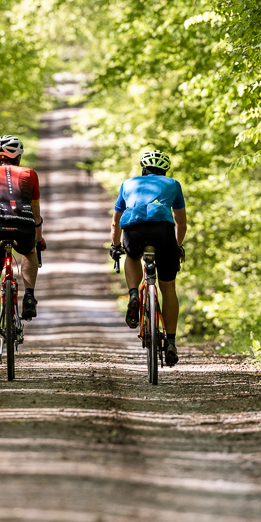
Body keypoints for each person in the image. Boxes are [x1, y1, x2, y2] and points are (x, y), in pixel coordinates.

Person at [0, 135, 45, 365]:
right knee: (30, 252)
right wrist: (39, 240)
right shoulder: (30, 174)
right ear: (19, 158)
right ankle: (30, 296)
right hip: (24, 227)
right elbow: (36, 214)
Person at [110, 149, 186, 367]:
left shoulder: (127, 183)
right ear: (165, 171)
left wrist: (115, 247)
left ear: (143, 170)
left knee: (132, 256)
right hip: (163, 232)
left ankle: (134, 294)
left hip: (134, 230)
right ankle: (170, 342)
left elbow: (116, 222)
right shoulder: (173, 184)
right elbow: (181, 222)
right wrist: (178, 246)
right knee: (169, 289)